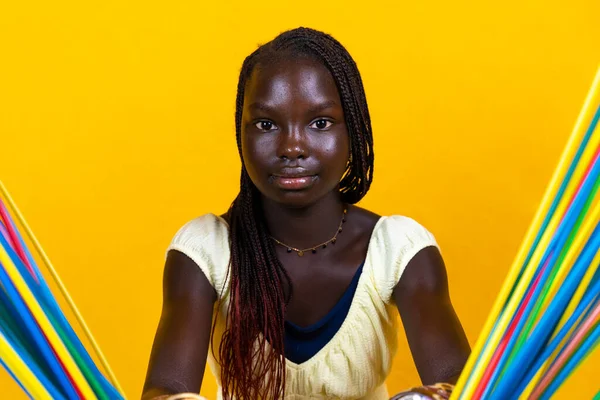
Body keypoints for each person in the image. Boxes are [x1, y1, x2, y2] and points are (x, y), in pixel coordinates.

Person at [142, 27, 471, 400]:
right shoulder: (205, 251)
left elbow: (463, 384)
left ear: (353, 131)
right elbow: (163, 388)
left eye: (320, 123)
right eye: (266, 125)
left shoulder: (399, 250)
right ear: (241, 133)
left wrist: (432, 396)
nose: (292, 147)